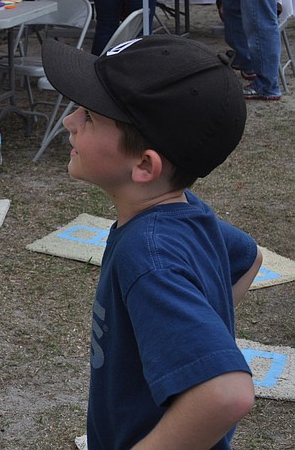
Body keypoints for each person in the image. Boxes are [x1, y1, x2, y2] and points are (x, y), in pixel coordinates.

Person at [40, 35, 262, 449]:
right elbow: (248, 257)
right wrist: (192, 339)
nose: (69, 121)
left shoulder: (149, 255)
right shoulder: (186, 214)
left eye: (89, 115)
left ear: (144, 165)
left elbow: (226, 393)